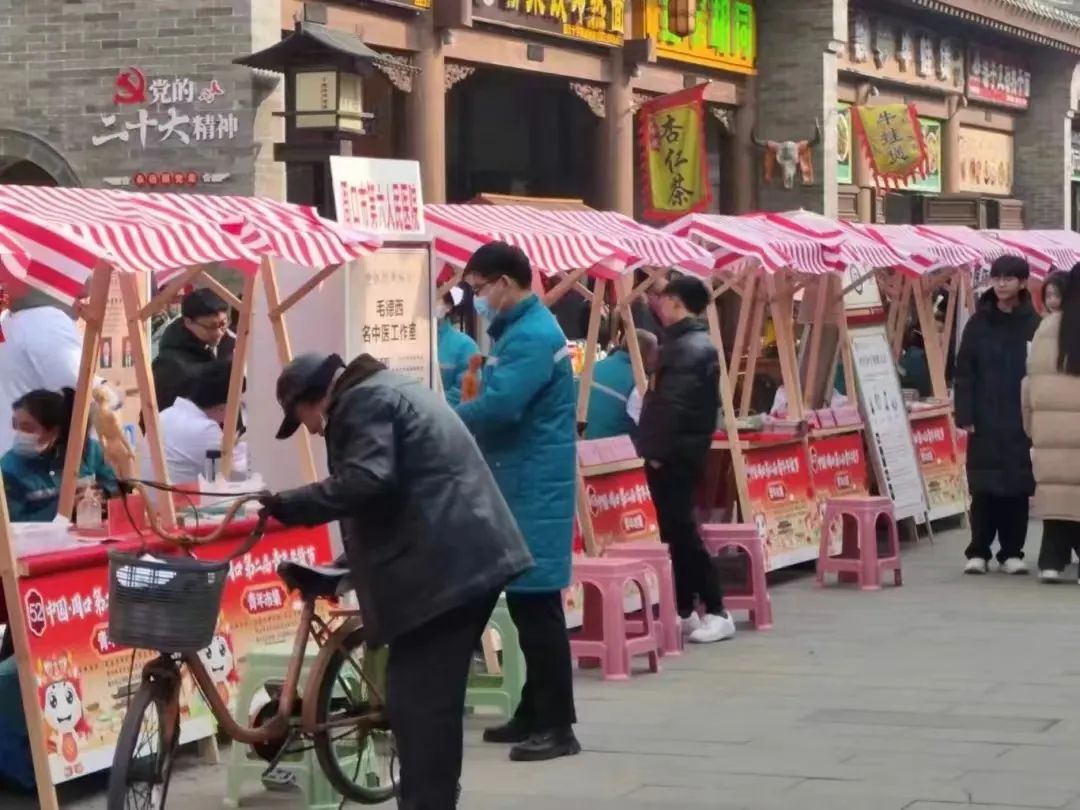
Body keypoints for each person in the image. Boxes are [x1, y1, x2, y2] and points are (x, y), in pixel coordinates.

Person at [259, 351, 532, 810]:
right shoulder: (387, 389)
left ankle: (427, 801)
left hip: (449, 569)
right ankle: (431, 796)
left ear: (312, 399)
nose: (313, 430)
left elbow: (368, 481)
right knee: (429, 702)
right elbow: (399, 493)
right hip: (464, 556)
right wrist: (346, 564)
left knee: (420, 706)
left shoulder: (360, 403)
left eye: (302, 419)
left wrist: (292, 504)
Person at [454, 241, 580, 762]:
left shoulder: (530, 336)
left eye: (479, 289)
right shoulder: (521, 330)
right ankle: (533, 710)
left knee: (537, 608)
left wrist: (443, 419)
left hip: (533, 485)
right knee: (529, 606)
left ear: (505, 283)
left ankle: (558, 726)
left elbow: (501, 406)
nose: (477, 299)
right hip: (523, 480)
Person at [637, 276, 735, 643]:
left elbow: (673, 409)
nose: (658, 305)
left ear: (676, 303)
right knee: (675, 535)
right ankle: (684, 609)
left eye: (663, 299)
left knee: (684, 534)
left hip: (675, 455)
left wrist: (658, 453)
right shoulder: (684, 344)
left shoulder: (689, 349)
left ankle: (716, 609)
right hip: (677, 452)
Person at [955, 255, 1041, 575]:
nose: (1001, 283)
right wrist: (965, 413)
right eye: (997, 277)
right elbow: (964, 372)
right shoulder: (978, 323)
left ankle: (1012, 552)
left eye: (1008, 278)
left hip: (1021, 419)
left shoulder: (1034, 325)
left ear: (1023, 282)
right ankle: (979, 551)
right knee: (984, 487)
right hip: (985, 417)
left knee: (1017, 487)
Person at [1024, 264, 1080, 582]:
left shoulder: (1047, 327)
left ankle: (1051, 562)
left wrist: (1032, 425)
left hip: (1049, 431)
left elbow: (1029, 382)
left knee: (1058, 495)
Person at [2, 388, 117, 523]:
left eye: (27, 428)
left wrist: (102, 494)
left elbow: (115, 486)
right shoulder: (8, 469)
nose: (19, 433)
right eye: (15, 425)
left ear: (55, 431)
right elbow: (12, 523)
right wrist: (64, 508)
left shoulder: (89, 451)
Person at [0, 286, 84, 454]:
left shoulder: (13, 321)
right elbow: (82, 396)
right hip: (45, 459)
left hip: (19, 454)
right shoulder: (46, 320)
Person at [148, 360, 248, 485]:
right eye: (239, 404)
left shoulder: (163, 416)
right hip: (181, 497)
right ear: (224, 406)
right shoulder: (206, 430)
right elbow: (231, 475)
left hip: (151, 496)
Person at [152, 287, 236, 413]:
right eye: (212, 326)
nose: (219, 332)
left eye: (223, 323)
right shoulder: (169, 361)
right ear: (188, 322)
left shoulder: (226, 340)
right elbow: (196, 379)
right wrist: (232, 367)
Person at [584, 329, 658, 440]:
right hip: (612, 446)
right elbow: (647, 427)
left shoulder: (595, 366)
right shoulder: (638, 384)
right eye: (655, 353)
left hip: (580, 440)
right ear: (647, 355)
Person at [437, 286, 480, 406]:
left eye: (436, 297)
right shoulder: (405, 343)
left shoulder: (465, 345)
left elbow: (463, 393)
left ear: (448, 306)